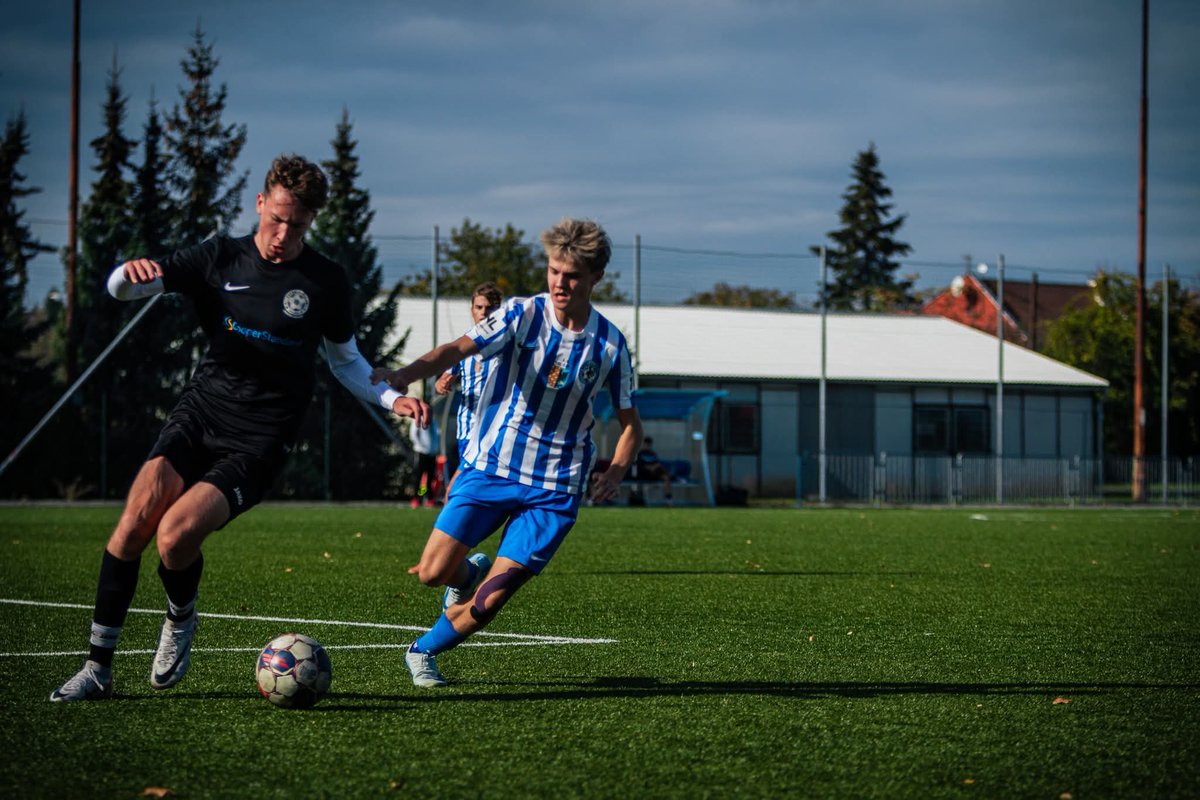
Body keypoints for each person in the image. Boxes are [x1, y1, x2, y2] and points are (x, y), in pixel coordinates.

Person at [49, 154, 430, 702]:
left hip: (259, 440)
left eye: (296, 225)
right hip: (200, 412)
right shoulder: (218, 257)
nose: (282, 234)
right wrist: (124, 274)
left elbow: (346, 361)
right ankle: (97, 668)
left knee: (175, 536)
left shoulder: (324, 280)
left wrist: (393, 397)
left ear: (310, 223)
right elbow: (126, 288)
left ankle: (181, 616)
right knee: (133, 522)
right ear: (260, 202)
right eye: (276, 218)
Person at [371, 217, 643, 688]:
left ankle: (423, 650)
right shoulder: (521, 314)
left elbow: (630, 425)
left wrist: (616, 471)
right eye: (555, 270)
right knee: (432, 574)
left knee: (494, 597)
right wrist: (404, 373)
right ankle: (464, 571)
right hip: (494, 468)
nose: (560, 282)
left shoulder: (611, 346)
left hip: (556, 488)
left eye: (572, 274)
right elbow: (457, 347)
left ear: (595, 278)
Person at [434, 282, 504, 497]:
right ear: (472, 309)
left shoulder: (507, 343)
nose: (484, 313)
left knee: (470, 488)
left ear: (499, 310)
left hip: (499, 427)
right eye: (479, 307)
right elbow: (443, 379)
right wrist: (443, 383)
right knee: (462, 487)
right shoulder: (464, 345)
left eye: (490, 308)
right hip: (470, 428)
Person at [409, 414, 440, 508]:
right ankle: (416, 498)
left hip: (432, 453)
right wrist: (420, 447)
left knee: (430, 477)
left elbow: (436, 435)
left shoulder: (433, 420)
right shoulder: (418, 419)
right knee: (419, 476)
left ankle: (429, 498)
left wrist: (434, 448)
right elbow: (413, 435)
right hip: (421, 452)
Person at [634, 436, 673, 505]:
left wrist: (653, 467)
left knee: (666, 478)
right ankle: (643, 499)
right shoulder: (640, 454)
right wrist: (650, 467)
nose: (648, 446)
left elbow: (658, 464)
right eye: (646, 444)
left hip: (654, 473)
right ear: (644, 444)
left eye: (649, 445)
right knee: (647, 483)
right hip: (644, 474)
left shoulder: (653, 454)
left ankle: (668, 498)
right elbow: (641, 466)